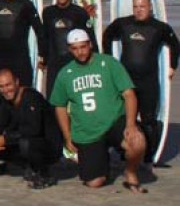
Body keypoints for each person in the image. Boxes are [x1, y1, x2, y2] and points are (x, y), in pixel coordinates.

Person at [51, 29, 148, 193]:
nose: (80, 52)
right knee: (95, 182)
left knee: (137, 141)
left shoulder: (109, 63)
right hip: (87, 132)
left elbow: (129, 94)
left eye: (83, 47)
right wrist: (67, 137)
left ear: (90, 44)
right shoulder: (65, 74)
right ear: (69, 49)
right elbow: (59, 106)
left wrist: (131, 125)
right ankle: (102, 162)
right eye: (74, 48)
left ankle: (130, 172)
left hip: (114, 121)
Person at [102, 0, 179, 164]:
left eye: (142, 6)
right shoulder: (123, 24)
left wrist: (173, 66)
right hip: (126, 81)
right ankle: (125, 151)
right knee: (126, 118)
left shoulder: (159, 27)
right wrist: (109, 61)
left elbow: (175, 44)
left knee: (148, 119)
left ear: (150, 7)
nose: (139, 10)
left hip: (148, 81)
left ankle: (149, 155)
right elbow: (107, 36)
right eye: (136, 7)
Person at [0, 69, 61, 189]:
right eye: (1, 86)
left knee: (26, 143)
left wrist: (5, 139)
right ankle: (28, 166)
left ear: (16, 82)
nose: (5, 90)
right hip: (25, 141)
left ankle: (43, 172)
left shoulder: (32, 97)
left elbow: (33, 130)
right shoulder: (6, 100)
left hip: (49, 146)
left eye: (8, 85)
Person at [41, 0, 98, 96]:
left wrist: (94, 60)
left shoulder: (80, 13)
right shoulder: (48, 13)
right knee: (53, 101)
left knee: (75, 97)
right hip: (54, 64)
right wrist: (43, 58)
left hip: (74, 62)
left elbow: (90, 37)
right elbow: (45, 37)